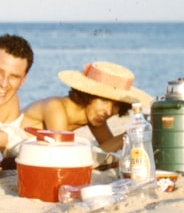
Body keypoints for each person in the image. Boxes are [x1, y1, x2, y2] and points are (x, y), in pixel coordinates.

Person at [20, 61, 153, 153]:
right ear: (87, 95)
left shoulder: (96, 115)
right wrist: (126, 136)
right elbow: (63, 155)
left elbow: (111, 149)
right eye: (103, 100)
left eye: (116, 105)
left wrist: (131, 134)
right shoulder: (55, 108)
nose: (108, 111)